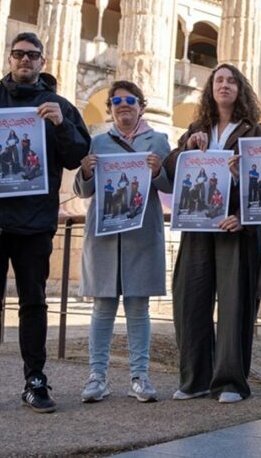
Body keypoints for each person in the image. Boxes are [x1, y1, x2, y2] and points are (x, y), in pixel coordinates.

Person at [0, 32, 90, 414]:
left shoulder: (59, 106)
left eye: (32, 55)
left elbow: (77, 156)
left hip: (34, 222)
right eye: (19, 54)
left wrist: (61, 126)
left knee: (34, 303)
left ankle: (35, 382)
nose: (25, 60)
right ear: (9, 59)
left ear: (42, 62)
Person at [164, 64, 261, 404]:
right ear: (211, 88)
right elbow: (170, 171)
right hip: (198, 226)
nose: (224, 85)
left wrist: (244, 217)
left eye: (231, 81)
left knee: (235, 305)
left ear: (240, 89)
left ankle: (231, 382)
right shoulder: (197, 128)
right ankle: (195, 379)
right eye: (219, 80)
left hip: (236, 228)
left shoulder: (255, 131)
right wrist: (186, 150)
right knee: (189, 299)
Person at [75, 81, 171, 404]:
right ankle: (97, 377)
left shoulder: (158, 141)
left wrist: (159, 172)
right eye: (116, 101)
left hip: (141, 235)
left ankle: (139, 377)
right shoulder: (97, 142)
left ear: (141, 106)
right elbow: (82, 191)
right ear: (111, 108)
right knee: (102, 308)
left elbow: (172, 185)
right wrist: (86, 173)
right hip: (105, 236)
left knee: (138, 308)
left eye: (130, 100)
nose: (123, 105)